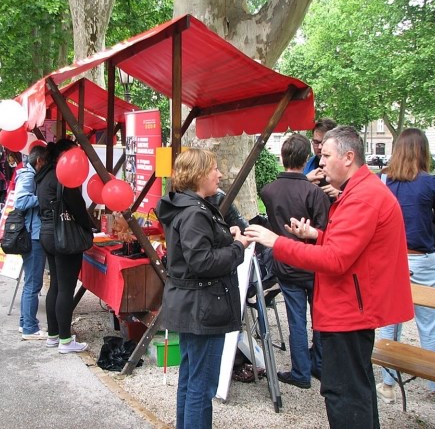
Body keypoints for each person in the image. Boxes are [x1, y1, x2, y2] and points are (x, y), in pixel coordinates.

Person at [245, 126, 414, 429]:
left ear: (349, 157)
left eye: (325, 155)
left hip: (349, 310)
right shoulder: (360, 191)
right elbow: (350, 246)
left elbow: (336, 259)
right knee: (355, 388)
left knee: (344, 392)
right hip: (351, 306)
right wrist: (315, 234)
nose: (319, 162)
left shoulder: (362, 197)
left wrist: (277, 242)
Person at [156, 148, 251, 429]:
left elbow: (197, 252)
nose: (219, 174)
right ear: (198, 175)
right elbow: (202, 261)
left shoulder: (186, 207)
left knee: (190, 379)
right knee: (200, 385)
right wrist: (238, 247)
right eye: (214, 169)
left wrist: (227, 236)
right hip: (203, 308)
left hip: (191, 304)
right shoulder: (195, 212)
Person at [376, 129, 435, 412]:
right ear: (424, 151)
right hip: (422, 259)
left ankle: (387, 386)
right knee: (429, 325)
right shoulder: (433, 184)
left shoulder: (385, 181)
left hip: (392, 259)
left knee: (389, 324)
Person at [260, 133, 330, 389]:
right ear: (307, 158)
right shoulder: (316, 194)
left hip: (287, 261)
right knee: (319, 318)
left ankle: (300, 371)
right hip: (312, 263)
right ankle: (319, 366)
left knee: (296, 320)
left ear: (282, 157)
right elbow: (323, 231)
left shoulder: (269, 191)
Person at [38, 139, 93, 353]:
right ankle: (65, 340)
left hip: (46, 233)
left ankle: (53, 335)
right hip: (64, 236)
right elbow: (77, 207)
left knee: (55, 285)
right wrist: (89, 226)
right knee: (66, 288)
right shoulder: (64, 175)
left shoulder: (44, 174)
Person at [14, 145, 48, 340]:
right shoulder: (28, 176)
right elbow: (21, 201)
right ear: (39, 161)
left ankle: (24, 322)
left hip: (31, 233)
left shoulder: (26, 174)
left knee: (30, 282)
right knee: (33, 283)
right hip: (33, 235)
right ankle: (30, 328)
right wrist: (43, 198)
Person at [303, 118, 340, 200]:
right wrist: (304, 182)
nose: (319, 147)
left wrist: (341, 193)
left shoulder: (346, 166)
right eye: (316, 142)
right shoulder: (306, 166)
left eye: (323, 142)